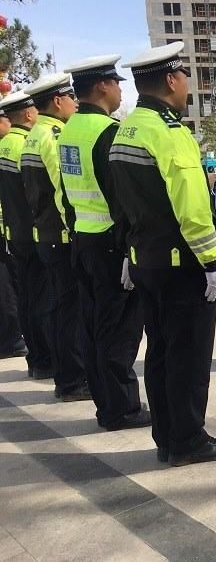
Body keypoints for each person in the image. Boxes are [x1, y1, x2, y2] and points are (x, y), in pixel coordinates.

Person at [109, 42, 216, 466]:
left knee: (160, 351)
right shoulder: (170, 132)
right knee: (189, 354)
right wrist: (213, 262)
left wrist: (130, 251)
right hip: (181, 266)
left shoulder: (125, 130)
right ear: (170, 79)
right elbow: (193, 209)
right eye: (184, 77)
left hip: (146, 262)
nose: (187, 86)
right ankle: (187, 439)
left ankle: (165, 434)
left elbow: (121, 203)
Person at [59, 54, 150, 429]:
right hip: (111, 247)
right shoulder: (106, 133)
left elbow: (65, 194)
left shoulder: (68, 131)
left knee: (94, 326)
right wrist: (131, 248)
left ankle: (105, 403)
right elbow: (122, 199)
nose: (119, 89)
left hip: (83, 240)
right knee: (119, 331)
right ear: (101, 87)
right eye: (116, 83)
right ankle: (121, 408)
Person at [21, 73, 90, 401]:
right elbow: (63, 190)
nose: (75, 104)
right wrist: (75, 230)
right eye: (71, 98)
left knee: (61, 308)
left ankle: (67, 376)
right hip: (61, 236)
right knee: (71, 311)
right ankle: (73, 380)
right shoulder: (54, 136)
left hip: (44, 234)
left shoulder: (33, 136)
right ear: (58, 101)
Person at [0, 92, 52, 379]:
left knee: (27, 299)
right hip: (33, 233)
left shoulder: (4, 145)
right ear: (30, 114)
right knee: (44, 299)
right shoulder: (24, 144)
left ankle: (37, 358)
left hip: (13, 232)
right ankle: (45, 357)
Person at [0, 107, 27, 361]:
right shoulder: (14, 145)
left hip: (8, 227)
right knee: (7, 286)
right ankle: (10, 339)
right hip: (8, 228)